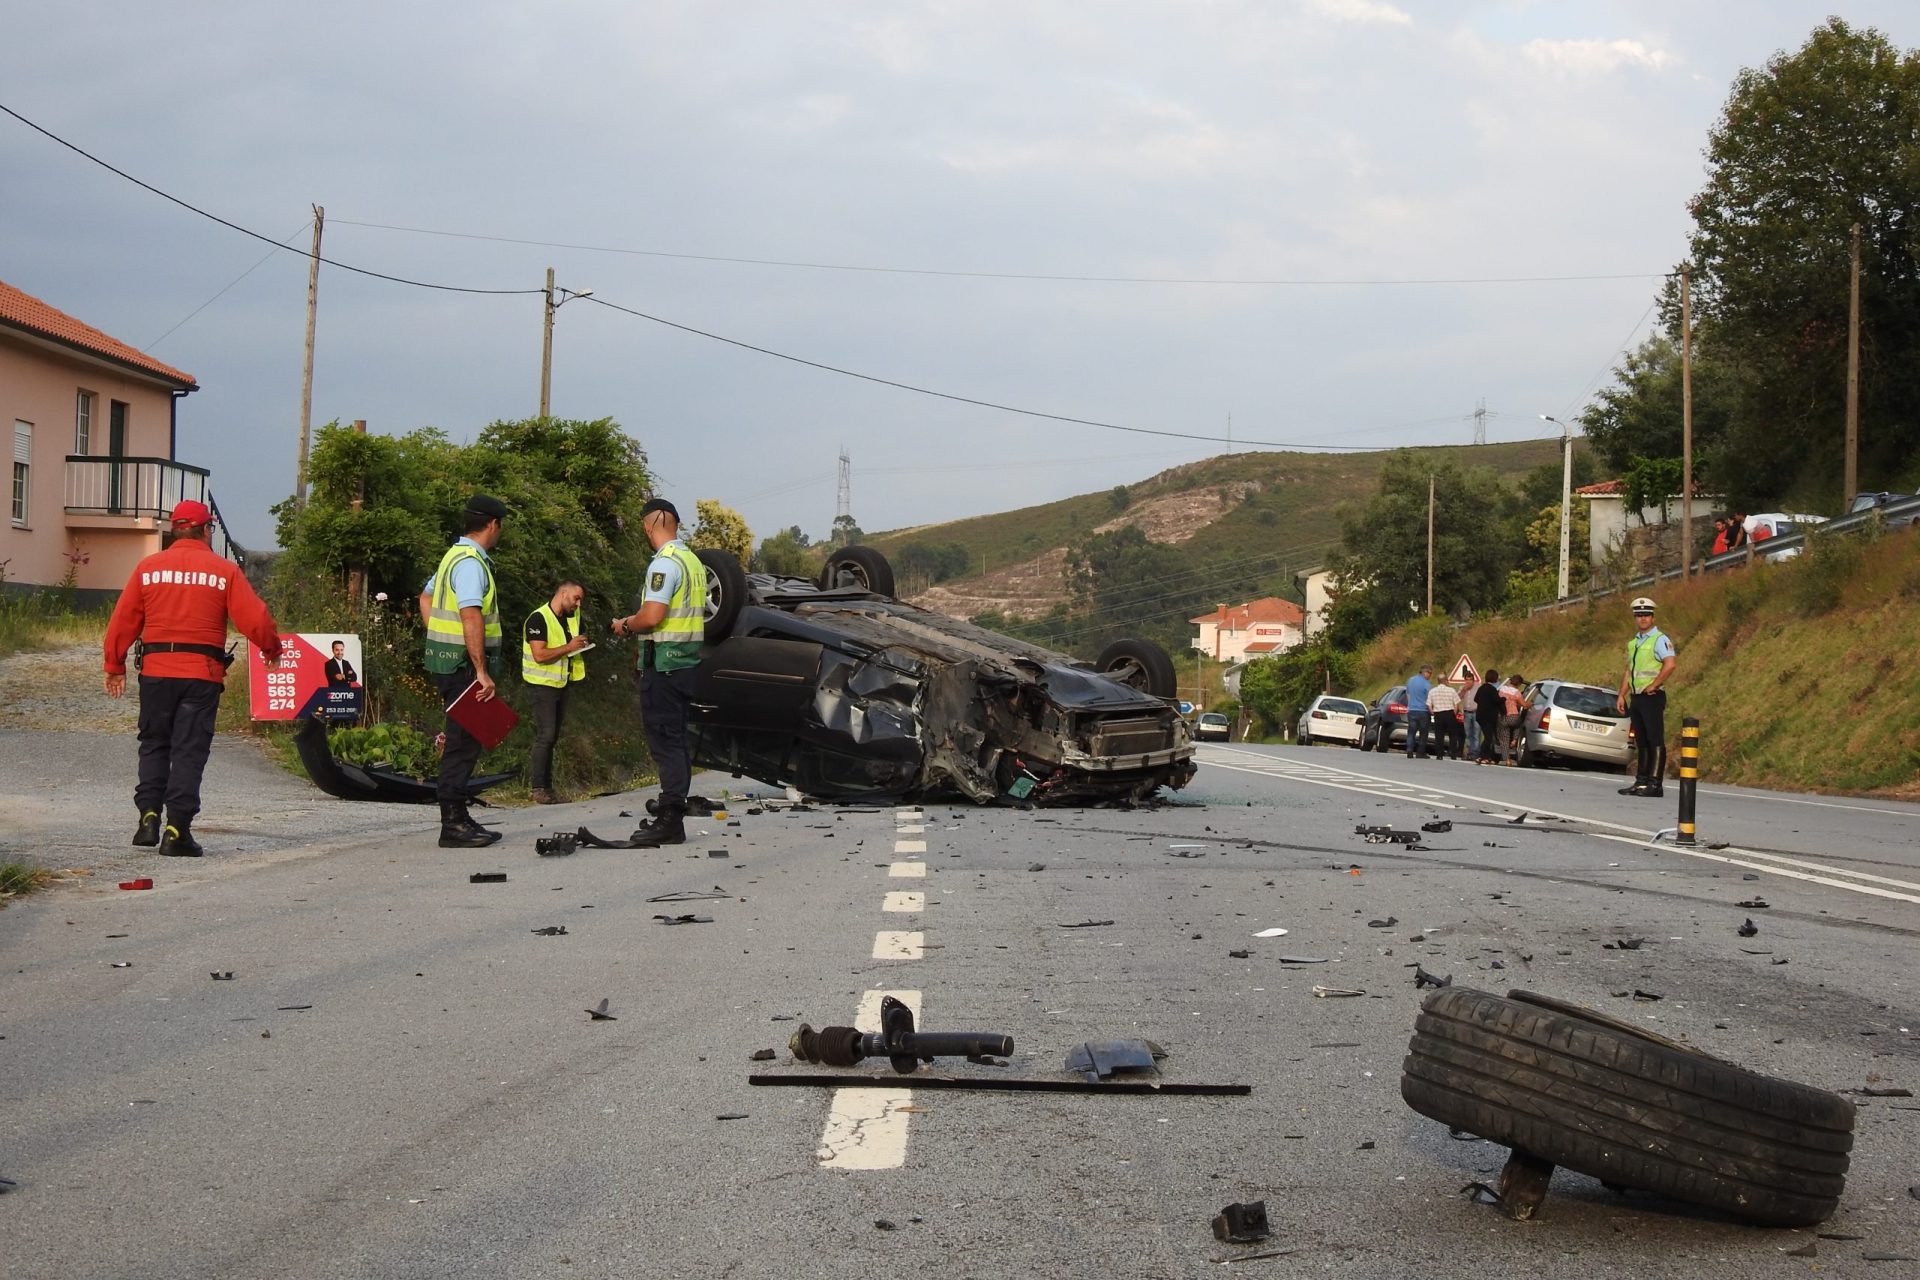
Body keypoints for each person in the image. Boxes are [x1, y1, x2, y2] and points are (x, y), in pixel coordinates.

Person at [102, 500, 284, 857]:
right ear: (206, 530)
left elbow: (124, 619)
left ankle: (148, 817)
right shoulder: (223, 570)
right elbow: (256, 618)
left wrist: (115, 665)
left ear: (174, 531)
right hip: (201, 675)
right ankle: (177, 829)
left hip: (156, 672)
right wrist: (271, 648)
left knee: (154, 742)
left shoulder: (148, 568)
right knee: (189, 748)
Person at [610, 498, 709, 847]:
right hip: (686, 664)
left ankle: (670, 820)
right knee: (677, 740)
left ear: (649, 525)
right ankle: (672, 809)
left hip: (664, 667)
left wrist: (624, 624)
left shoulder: (664, 564)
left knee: (665, 742)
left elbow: (651, 616)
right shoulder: (692, 561)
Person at [420, 494, 508, 848]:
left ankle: (459, 817)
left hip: (447, 660)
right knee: (462, 742)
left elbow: (425, 598)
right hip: (462, 667)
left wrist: (439, 637)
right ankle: (452, 824)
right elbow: (471, 614)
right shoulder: (471, 562)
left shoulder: (452, 557)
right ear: (493, 524)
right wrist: (480, 670)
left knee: (466, 740)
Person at [522, 580, 590, 804]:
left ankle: (547, 789)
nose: (578, 604)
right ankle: (539, 788)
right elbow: (539, 655)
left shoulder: (570, 619)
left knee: (552, 737)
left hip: (562, 683)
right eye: (576, 598)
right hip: (542, 685)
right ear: (563, 593)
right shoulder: (538, 618)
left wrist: (581, 644)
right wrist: (570, 647)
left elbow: (571, 644)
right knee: (546, 735)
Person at [1616, 596, 1677, 797]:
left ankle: (1655, 784)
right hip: (1637, 697)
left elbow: (1670, 664)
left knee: (1654, 739)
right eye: (1639, 615)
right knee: (1641, 740)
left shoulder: (1660, 639)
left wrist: (1654, 684)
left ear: (1653, 617)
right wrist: (1621, 695)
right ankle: (1641, 782)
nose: (1643, 619)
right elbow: (1629, 670)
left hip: (1652, 696)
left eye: (1646, 615)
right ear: (1635, 617)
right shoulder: (1634, 643)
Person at [1497, 675, 1529, 766]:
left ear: (1510, 681)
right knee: (1518, 725)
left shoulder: (1501, 689)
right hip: (1513, 716)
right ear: (1518, 684)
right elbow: (1524, 705)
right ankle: (1514, 740)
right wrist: (1530, 704)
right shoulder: (1517, 692)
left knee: (1504, 739)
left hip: (1502, 717)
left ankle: (1507, 760)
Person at [1427, 677, 1462, 760]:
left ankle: (1439, 754)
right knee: (1453, 735)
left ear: (1438, 681)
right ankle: (1453, 754)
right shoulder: (1452, 690)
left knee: (1439, 735)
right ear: (1446, 681)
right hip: (1449, 713)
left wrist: (1432, 712)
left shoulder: (1432, 691)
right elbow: (1456, 704)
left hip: (1438, 714)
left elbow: (1428, 704)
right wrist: (1454, 712)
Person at [1473, 669, 1503, 765]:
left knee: (1487, 737)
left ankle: (1486, 756)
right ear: (1494, 678)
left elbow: (1476, 699)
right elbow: (1496, 701)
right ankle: (1482, 756)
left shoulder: (1481, 688)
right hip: (1489, 717)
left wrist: (1483, 703)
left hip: (1480, 716)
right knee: (1488, 738)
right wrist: (1503, 699)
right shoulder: (1492, 689)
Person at [1404, 664, 1433, 759]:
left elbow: (1408, 694)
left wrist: (1411, 704)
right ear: (1425, 672)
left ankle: (1409, 749)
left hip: (1412, 710)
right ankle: (1420, 752)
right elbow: (1429, 699)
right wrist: (1431, 710)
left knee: (1411, 731)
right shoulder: (1427, 684)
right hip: (1423, 711)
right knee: (1423, 732)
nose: (1430, 676)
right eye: (1430, 673)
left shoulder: (1410, 680)